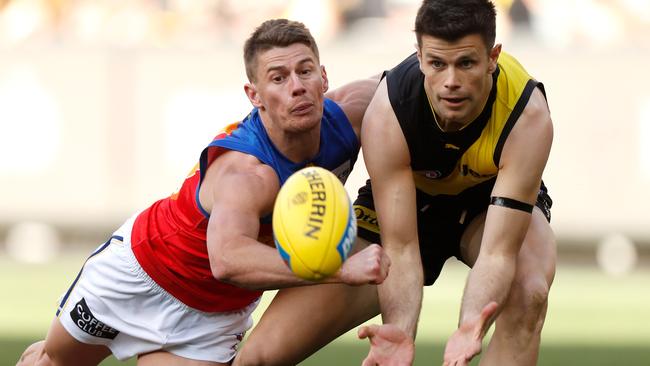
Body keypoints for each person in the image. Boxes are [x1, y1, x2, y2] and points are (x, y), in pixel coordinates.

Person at [17, 18, 389, 366]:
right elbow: (227, 260)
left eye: (305, 71)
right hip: (142, 274)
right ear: (254, 95)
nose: (297, 86)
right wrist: (340, 269)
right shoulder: (246, 173)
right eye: (278, 78)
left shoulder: (356, 110)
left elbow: (411, 80)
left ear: (323, 77)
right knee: (54, 361)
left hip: (214, 315)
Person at [354, 0, 555, 365]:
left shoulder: (528, 112)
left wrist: (469, 325)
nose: (451, 82)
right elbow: (399, 249)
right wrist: (399, 329)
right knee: (266, 350)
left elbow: (498, 252)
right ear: (418, 57)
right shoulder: (389, 111)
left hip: (486, 202)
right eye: (437, 64)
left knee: (529, 291)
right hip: (411, 204)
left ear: (492, 57)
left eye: (466, 63)